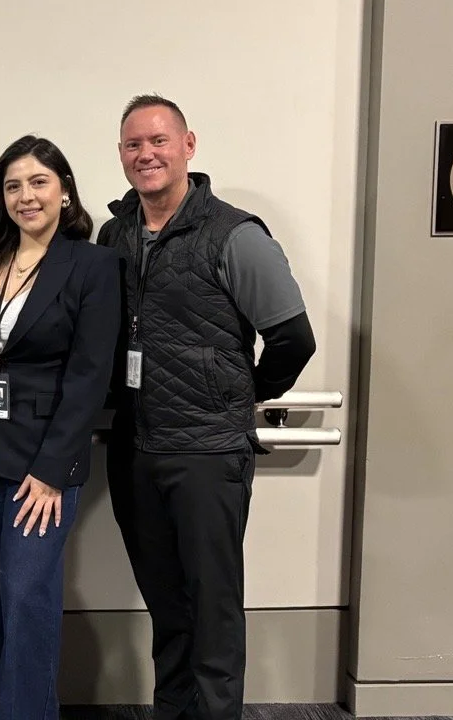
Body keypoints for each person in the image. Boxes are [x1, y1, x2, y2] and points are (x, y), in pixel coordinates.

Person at [98, 94, 317, 720]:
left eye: (158, 141)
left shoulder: (234, 234)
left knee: (213, 609)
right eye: (134, 145)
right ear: (121, 155)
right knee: (166, 608)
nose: (147, 154)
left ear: (188, 145)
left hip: (206, 454)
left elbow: (293, 338)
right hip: (135, 450)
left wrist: (236, 395)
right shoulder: (116, 234)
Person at [0, 135, 121, 719]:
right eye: (13, 185)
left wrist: (51, 471)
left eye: (39, 182)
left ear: (65, 189)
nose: (26, 196)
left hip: (42, 465)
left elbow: (90, 375)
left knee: (26, 599)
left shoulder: (93, 265)